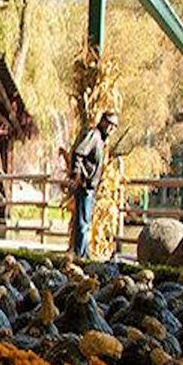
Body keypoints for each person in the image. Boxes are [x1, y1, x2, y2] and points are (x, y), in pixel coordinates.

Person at [69, 110, 119, 259]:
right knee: (83, 222)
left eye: (114, 126)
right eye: (109, 123)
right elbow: (78, 153)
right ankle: (81, 254)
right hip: (85, 185)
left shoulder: (101, 140)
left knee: (86, 221)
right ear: (103, 121)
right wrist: (78, 176)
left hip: (91, 186)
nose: (111, 128)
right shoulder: (94, 135)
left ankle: (83, 252)